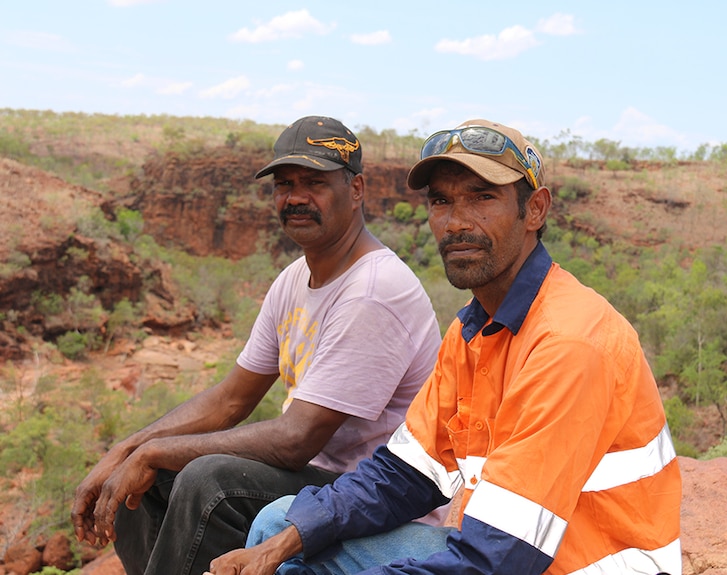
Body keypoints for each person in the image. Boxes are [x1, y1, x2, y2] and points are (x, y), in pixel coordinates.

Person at [207, 119, 683, 575]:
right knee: (279, 524)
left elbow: (495, 561)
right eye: (441, 201)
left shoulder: (569, 342)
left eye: (482, 198)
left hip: (568, 565)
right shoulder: (473, 332)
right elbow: (403, 475)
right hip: (508, 554)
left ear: (535, 209)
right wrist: (285, 544)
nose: (456, 223)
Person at [70, 115, 442, 575]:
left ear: (358, 190)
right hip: (318, 482)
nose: (296, 197)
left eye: (314, 183)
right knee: (142, 475)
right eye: (284, 184)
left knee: (210, 481)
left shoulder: (374, 289)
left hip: (372, 494)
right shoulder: (295, 279)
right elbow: (232, 397)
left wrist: (153, 451)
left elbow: (296, 441)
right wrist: (129, 450)